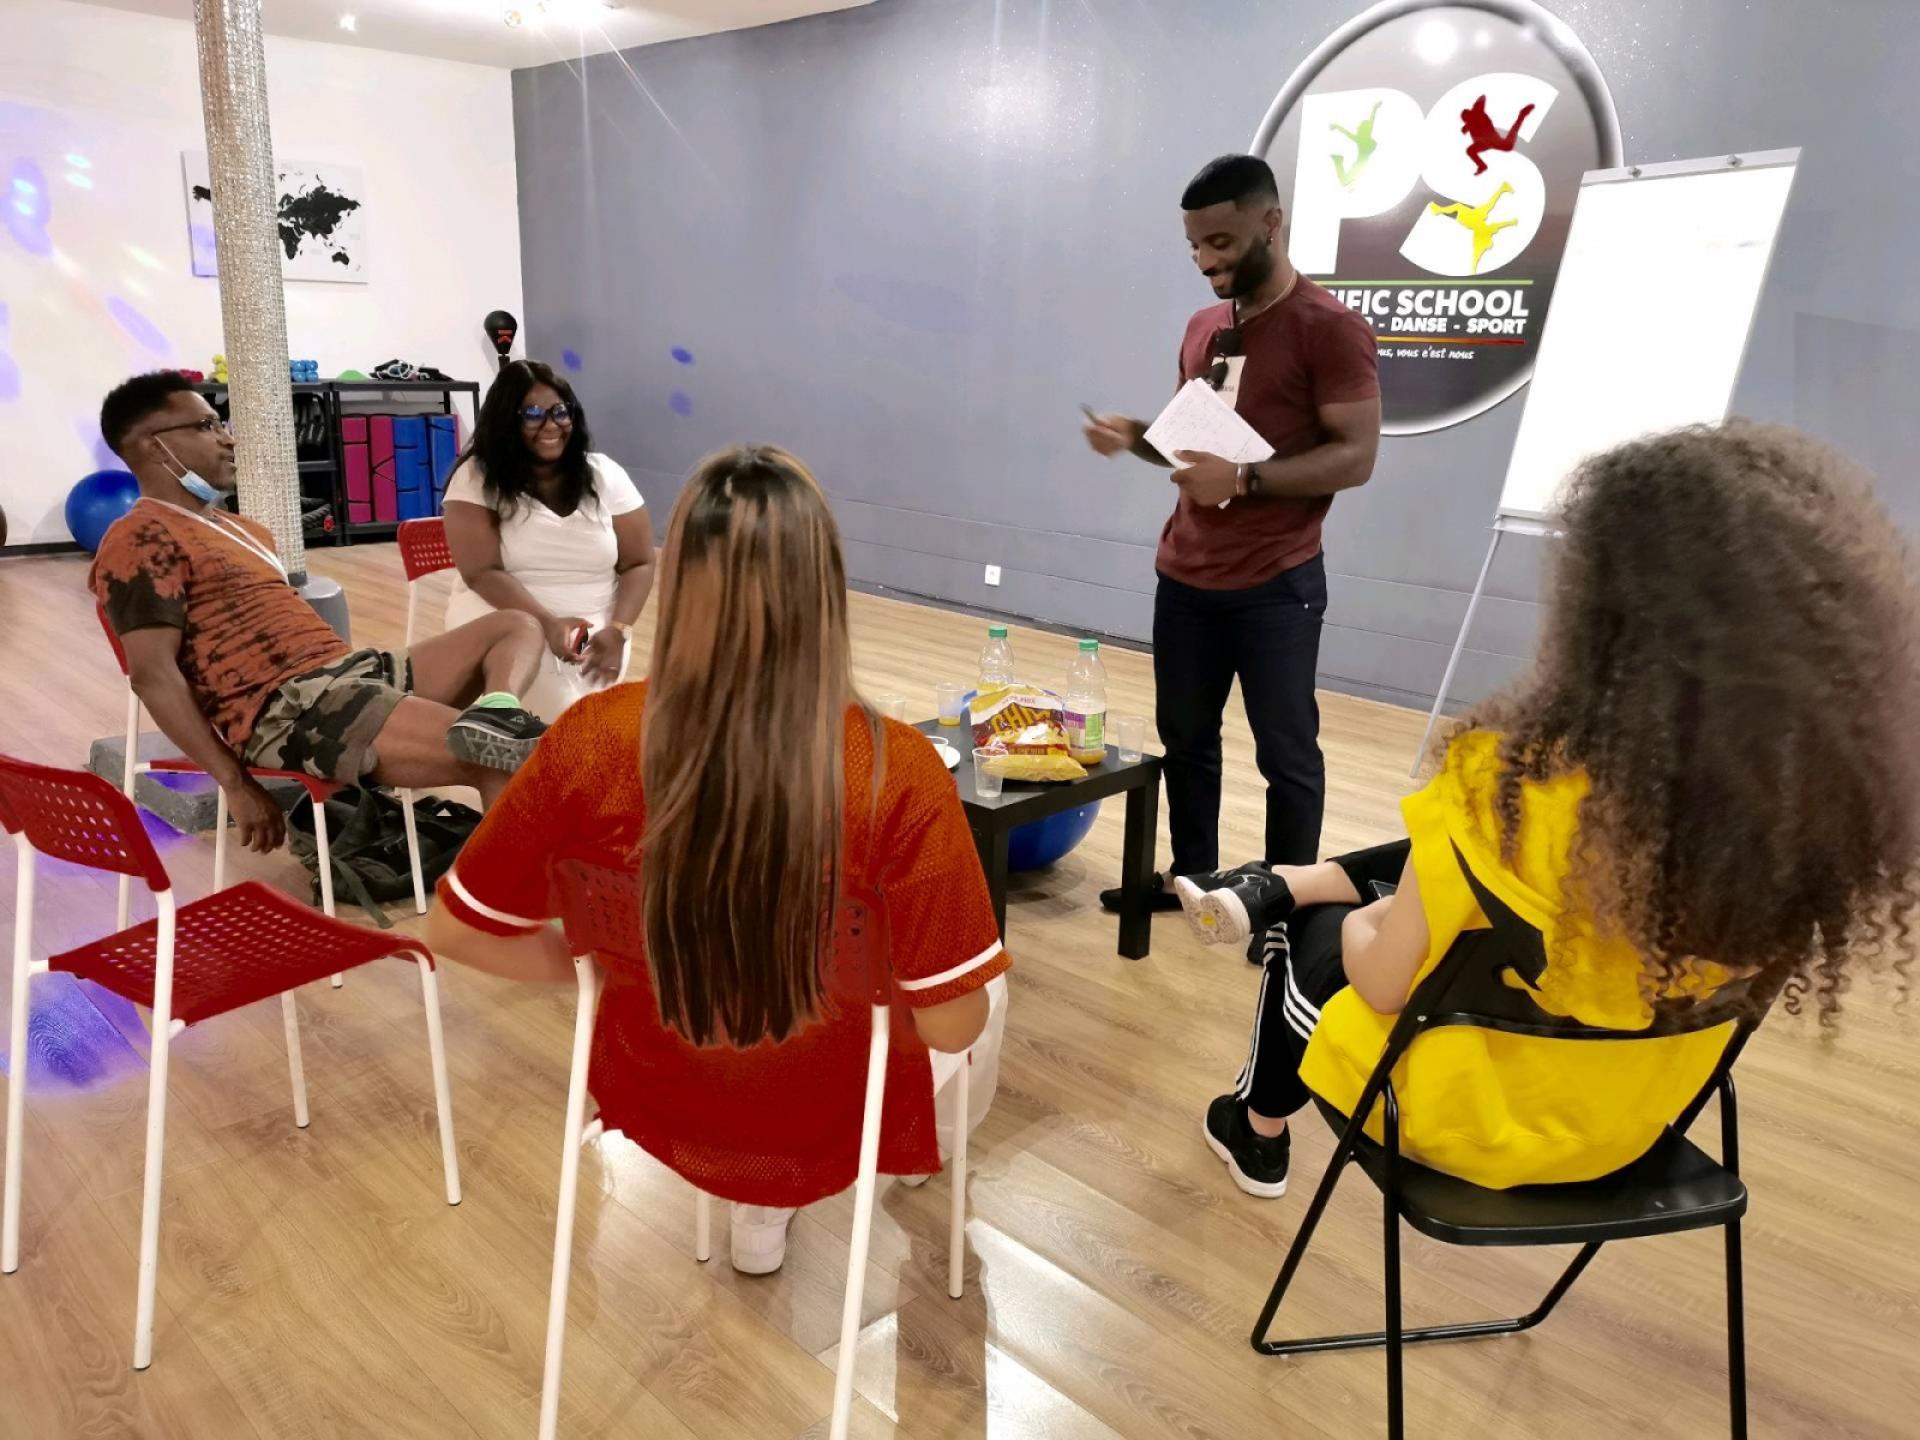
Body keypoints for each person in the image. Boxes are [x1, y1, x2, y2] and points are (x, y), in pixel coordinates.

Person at [1176, 423, 1920, 1199]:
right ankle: (1291, 880)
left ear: (1603, 612)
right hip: (1631, 1129)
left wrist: (1373, 921)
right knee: (1451, 866)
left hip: (1448, 1116)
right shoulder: (1819, 825)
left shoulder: (1504, 784)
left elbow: (1386, 984)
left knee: (1319, 930)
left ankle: (1257, 1126)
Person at [427, 445, 1010, 1274]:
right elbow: (951, 1022)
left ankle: (759, 1207)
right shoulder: (897, 769)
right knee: (982, 982)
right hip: (830, 1104)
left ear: (682, 581)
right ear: (824, 586)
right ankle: (921, 1152)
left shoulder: (590, 739)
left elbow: (454, 929)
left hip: (661, 1089)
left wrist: (606, 967)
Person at [1084, 153, 1381, 919]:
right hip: (1186, 575)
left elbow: (1356, 457)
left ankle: (1282, 906)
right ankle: (1195, 883)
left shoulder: (1330, 329)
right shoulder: (1202, 328)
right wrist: (1134, 435)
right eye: (1193, 246)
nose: (1204, 261)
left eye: (1219, 242)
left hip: (1277, 583)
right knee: (1186, 741)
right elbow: (1191, 446)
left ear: (1270, 223)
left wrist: (1244, 481)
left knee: (1286, 754)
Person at [90, 372, 551, 853]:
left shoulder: (244, 530)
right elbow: (153, 676)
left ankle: (497, 715)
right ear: (154, 445)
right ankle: (510, 894)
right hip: (289, 709)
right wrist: (235, 782)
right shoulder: (140, 538)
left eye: (221, 424)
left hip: (348, 671)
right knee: (499, 760)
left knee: (515, 626)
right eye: (207, 426)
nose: (228, 438)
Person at [441, 360, 656, 721]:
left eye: (560, 411)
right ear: (507, 421)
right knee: (570, 719)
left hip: (598, 635)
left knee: (580, 718)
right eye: (533, 414)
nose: (551, 424)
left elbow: (639, 562)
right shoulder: (476, 477)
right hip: (505, 620)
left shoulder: (604, 474)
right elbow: (481, 572)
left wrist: (619, 630)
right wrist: (547, 623)